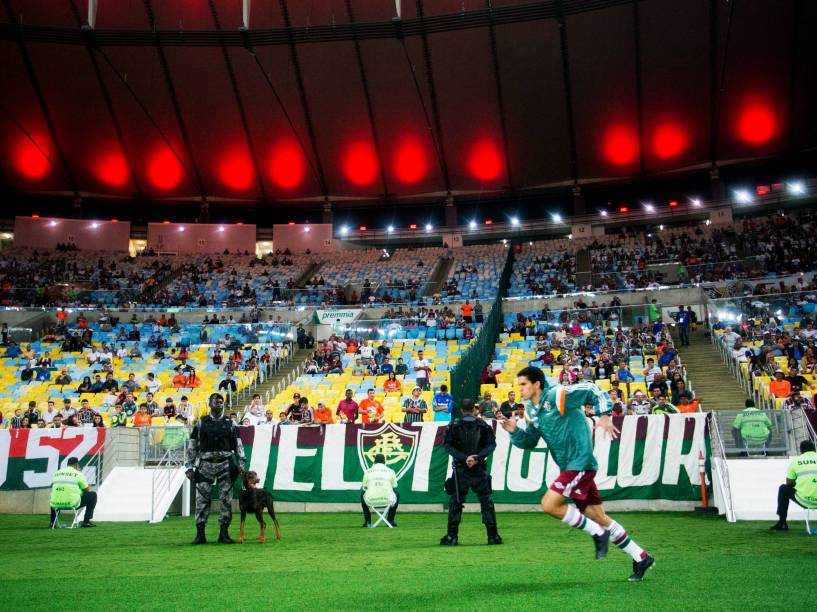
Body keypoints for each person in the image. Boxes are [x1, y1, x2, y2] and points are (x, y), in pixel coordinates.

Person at [497, 366, 654, 582]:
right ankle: (641, 556)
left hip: (580, 462)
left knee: (550, 504)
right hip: (570, 467)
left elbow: (592, 389)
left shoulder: (558, 394)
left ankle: (598, 534)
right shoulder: (531, 412)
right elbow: (530, 441)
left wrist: (605, 415)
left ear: (536, 384)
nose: (520, 389)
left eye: (523, 384)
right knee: (598, 516)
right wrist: (514, 431)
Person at [186, 393, 246, 545]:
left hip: (225, 463)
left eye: (221, 402)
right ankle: (200, 534)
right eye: (216, 402)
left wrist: (240, 464)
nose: (219, 404)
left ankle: (224, 534)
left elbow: (238, 444)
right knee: (202, 500)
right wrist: (189, 467)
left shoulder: (230, 423)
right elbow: (193, 444)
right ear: (209, 403)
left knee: (226, 499)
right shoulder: (201, 422)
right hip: (205, 464)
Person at [440, 398, 502, 546]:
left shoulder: (454, 426)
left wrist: (464, 457)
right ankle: (492, 536)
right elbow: (491, 445)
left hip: (461, 469)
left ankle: (452, 536)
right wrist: (477, 457)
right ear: (474, 410)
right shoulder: (483, 425)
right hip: (479, 469)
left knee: (456, 502)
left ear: (461, 410)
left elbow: (447, 446)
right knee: (486, 502)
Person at [770, 440, 817, 531]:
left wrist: (800, 483)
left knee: (783, 488)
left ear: (801, 450)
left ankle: (782, 522)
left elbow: (789, 483)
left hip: (805, 500)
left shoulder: (796, 461)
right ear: (814, 448)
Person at [49, 456, 97, 528]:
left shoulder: (57, 473)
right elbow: (87, 490)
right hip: (72, 503)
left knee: (56, 495)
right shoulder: (78, 474)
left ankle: (52, 523)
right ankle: (86, 522)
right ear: (77, 465)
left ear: (67, 464)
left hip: (55, 504)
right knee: (93, 495)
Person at [360, 453, 399, 528]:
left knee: (362, 494)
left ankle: (367, 522)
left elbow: (365, 487)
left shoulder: (368, 472)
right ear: (385, 462)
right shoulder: (391, 471)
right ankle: (390, 520)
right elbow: (394, 486)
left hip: (371, 501)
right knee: (397, 494)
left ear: (374, 462)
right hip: (388, 501)